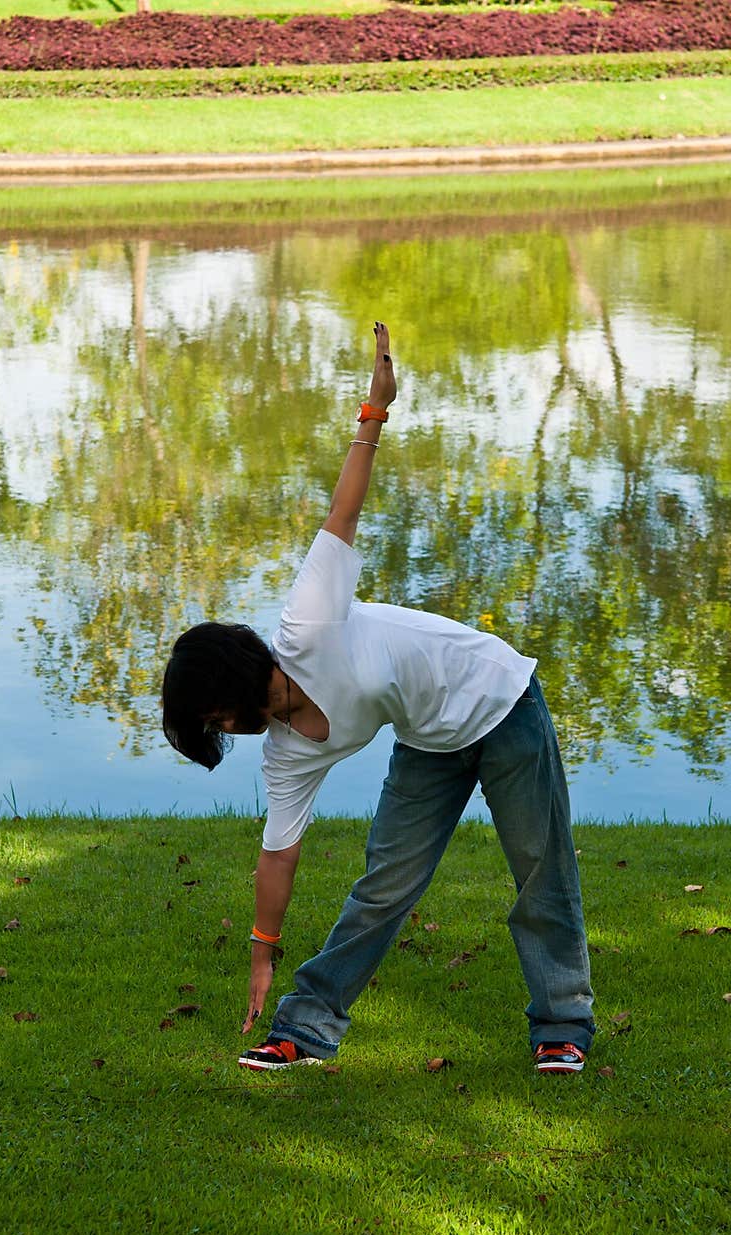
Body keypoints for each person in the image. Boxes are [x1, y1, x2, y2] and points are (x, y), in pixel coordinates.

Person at [162, 322, 595, 1076]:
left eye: (211, 718)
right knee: (381, 889)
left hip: (499, 696)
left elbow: (342, 514)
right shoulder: (288, 750)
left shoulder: (308, 621)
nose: (220, 730)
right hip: (430, 739)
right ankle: (304, 1027)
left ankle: (561, 1025)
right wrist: (262, 950)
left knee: (538, 869)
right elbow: (278, 853)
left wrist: (374, 410)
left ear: (230, 691)